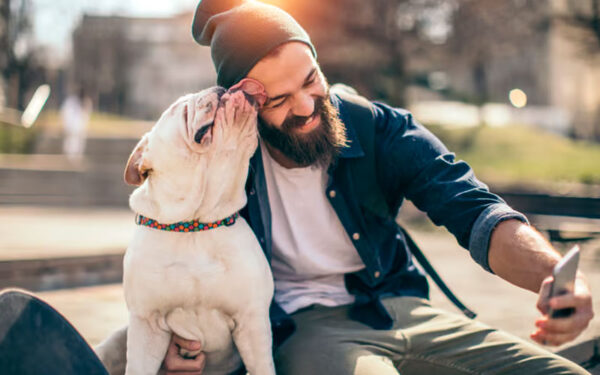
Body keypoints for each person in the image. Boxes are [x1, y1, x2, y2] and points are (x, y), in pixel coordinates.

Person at [0, 1, 593, 374]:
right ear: (241, 108)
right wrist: (184, 345)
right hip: (302, 328)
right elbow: (171, 254)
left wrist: (550, 278)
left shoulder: (373, 126)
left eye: (312, 81)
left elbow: (472, 207)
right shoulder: (220, 161)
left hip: (400, 306)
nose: (309, 107)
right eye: (279, 101)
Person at [60, 87, 92, 161]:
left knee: (78, 143)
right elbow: (66, 113)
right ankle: (69, 158)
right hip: (72, 126)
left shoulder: (86, 102)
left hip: (80, 127)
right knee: (71, 143)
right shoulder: (71, 102)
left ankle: (76, 158)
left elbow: (86, 115)